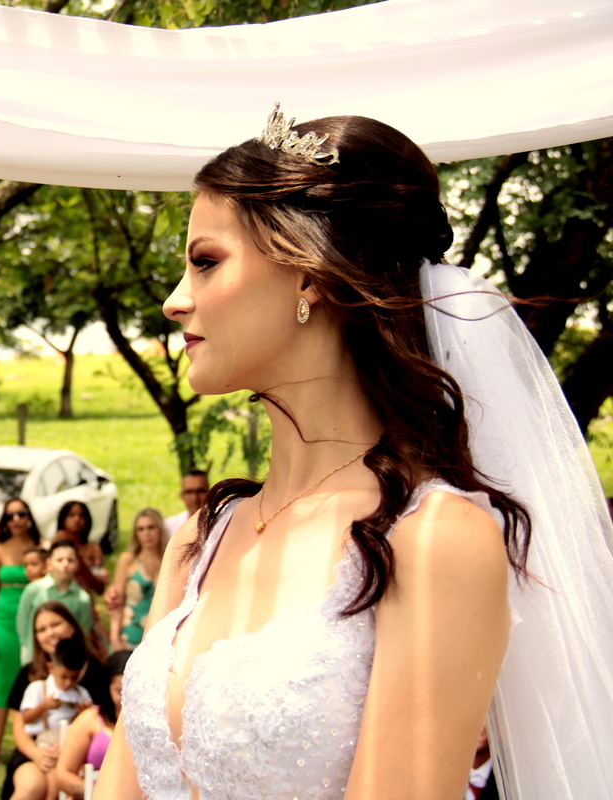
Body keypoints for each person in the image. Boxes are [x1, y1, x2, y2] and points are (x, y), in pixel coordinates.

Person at [95, 105, 613, 800]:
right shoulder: (200, 540)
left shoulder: (430, 542)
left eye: (206, 262)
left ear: (309, 275)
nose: (174, 301)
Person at [2, 602, 107, 800]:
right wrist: (37, 754)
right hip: (34, 748)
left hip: (77, 754)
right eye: (41, 629)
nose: (49, 633)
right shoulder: (29, 674)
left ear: (72, 626)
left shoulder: (96, 672)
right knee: (31, 787)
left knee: (54, 791)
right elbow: (19, 725)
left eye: (55, 624)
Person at [0, 498, 40, 770]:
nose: (15, 519)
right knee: (3, 684)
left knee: (34, 679)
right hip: (3, 622)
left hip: (33, 621)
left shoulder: (40, 549)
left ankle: (31, 742)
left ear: (29, 517)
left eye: (20, 513)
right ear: (4, 521)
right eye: (10, 515)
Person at [55, 650, 131, 799]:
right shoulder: (89, 720)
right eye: (120, 692)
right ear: (108, 688)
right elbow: (62, 774)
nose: (125, 699)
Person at [17, 541, 95, 664]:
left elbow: (83, 631)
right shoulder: (33, 590)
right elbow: (22, 622)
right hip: (34, 656)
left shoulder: (82, 598)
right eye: (59, 560)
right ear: (49, 563)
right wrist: (27, 649)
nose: (65, 564)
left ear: (77, 564)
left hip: (66, 660)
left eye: (70, 560)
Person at [107, 510, 166, 652]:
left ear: (160, 529)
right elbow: (116, 602)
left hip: (160, 637)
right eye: (141, 529)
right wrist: (115, 638)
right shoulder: (128, 560)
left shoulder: (169, 561)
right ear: (136, 534)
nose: (147, 533)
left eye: (151, 527)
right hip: (129, 634)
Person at [54, 501, 107, 595]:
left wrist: (81, 563)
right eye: (71, 515)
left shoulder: (93, 549)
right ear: (63, 518)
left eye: (81, 516)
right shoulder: (54, 545)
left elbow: (100, 588)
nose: (77, 519)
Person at [163, 470, 208, 537]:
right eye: (189, 492)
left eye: (200, 491)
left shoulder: (223, 524)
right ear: (182, 496)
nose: (195, 498)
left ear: (210, 494)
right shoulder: (169, 527)